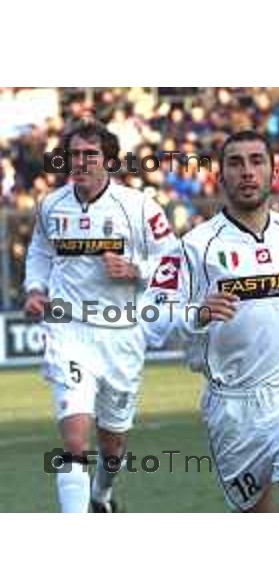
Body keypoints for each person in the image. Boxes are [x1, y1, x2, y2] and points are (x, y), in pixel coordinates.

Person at [143, 130, 279, 513]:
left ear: (274, 172)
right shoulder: (193, 248)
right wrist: (197, 313)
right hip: (232, 407)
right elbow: (151, 318)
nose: (247, 171)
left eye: (257, 161)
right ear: (220, 176)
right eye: (236, 163)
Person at [23, 119, 176, 512]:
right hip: (69, 329)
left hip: (121, 332)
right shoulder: (51, 206)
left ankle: (102, 496)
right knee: (75, 440)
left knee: (113, 444)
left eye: (90, 155)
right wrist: (36, 290)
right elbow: (40, 252)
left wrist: (136, 269)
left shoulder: (138, 206)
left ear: (108, 160)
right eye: (74, 154)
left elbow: (176, 261)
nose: (80, 162)